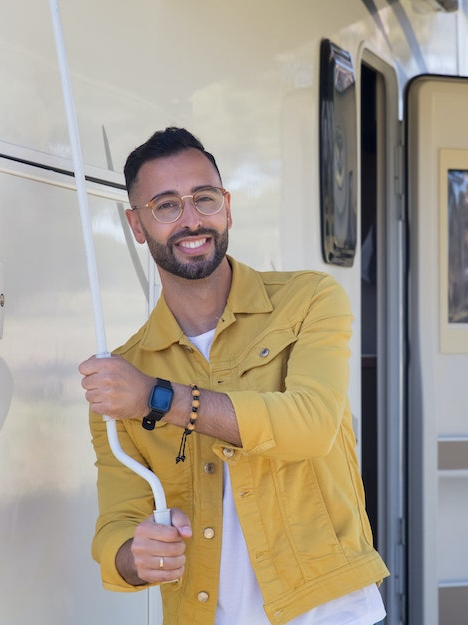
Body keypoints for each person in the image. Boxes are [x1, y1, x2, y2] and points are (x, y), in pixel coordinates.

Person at [79, 127, 389, 625]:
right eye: (166, 206)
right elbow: (117, 521)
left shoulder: (309, 299)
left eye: (204, 198)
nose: (191, 220)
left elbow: (311, 425)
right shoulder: (124, 377)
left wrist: (159, 398)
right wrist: (134, 556)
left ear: (226, 206)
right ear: (136, 225)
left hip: (331, 613)